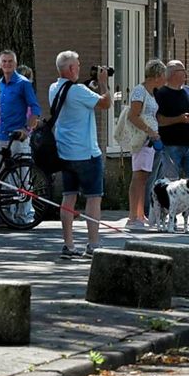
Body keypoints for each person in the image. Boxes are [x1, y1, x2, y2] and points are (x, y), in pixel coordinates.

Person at [49, 51, 111, 259]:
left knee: (69, 198)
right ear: (70, 69)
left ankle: (68, 244)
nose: (79, 67)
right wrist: (103, 83)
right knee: (93, 198)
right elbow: (105, 103)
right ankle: (93, 243)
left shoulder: (54, 88)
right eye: (77, 65)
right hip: (86, 153)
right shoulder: (78, 91)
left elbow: (76, 101)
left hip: (65, 153)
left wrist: (89, 89)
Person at [0, 50, 42, 226]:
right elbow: (6, 104)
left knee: (21, 177)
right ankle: (6, 215)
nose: (7, 64)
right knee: (3, 178)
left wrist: (27, 129)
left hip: (17, 138)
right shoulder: (2, 83)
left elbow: (35, 107)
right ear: (0, 64)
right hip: (2, 136)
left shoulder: (23, 83)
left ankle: (25, 216)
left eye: (10, 61)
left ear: (15, 64)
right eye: (4, 62)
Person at [154, 60, 189, 228]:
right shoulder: (161, 94)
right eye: (183, 71)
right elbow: (159, 120)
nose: (186, 74)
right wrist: (179, 119)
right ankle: (172, 219)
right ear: (173, 73)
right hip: (171, 145)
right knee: (171, 183)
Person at [125, 59, 167, 230]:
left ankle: (140, 214)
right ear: (156, 75)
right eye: (164, 75)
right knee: (138, 177)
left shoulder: (151, 93)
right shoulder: (139, 91)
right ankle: (133, 217)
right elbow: (133, 115)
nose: (165, 79)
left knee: (144, 178)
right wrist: (149, 130)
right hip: (143, 140)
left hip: (150, 141)